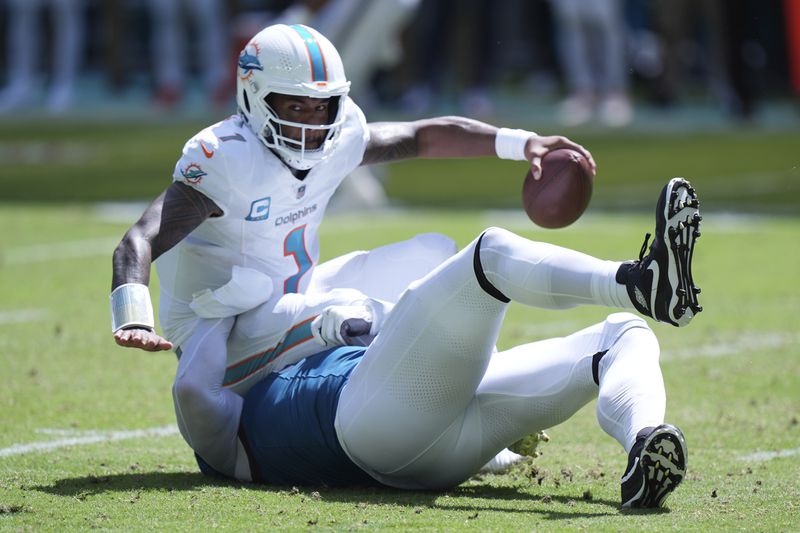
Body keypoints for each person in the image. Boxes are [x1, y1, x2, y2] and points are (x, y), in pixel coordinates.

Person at [109, 23, 597, 392]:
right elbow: (140, 238)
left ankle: (467, 393)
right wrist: (132, 314)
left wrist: (521, 142)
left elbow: (420, 136)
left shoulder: (338, 137)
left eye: (322, 107)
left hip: (292, 302)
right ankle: (469, 396)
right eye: (296, 105)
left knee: (435, 252)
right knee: (354, 315)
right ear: (255, 97)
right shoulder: (225, 158)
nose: (312, 122)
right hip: (220, 337)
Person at [172, 177, 702, 508]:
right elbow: (193, 391)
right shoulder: (219, 429)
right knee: (489, 256)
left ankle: (643, 442)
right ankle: (637, 282)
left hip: (435, 452)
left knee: (622, 337)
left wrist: (496, 454)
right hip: (369, 425)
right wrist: (213, 315)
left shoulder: (277, 357)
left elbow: (422, 256)